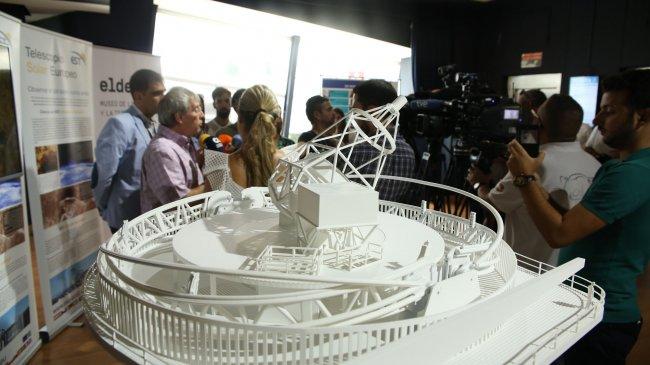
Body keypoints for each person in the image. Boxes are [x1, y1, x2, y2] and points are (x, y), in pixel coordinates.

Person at [506, 70, 650, 364]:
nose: (596, 120)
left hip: (599, 318)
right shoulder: (625, 167)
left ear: (642, 117)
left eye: (609, 111)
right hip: (587, 308)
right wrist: (538, 186)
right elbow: (579, 221)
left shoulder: (634, 173)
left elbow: (560, 233)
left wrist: (524, 178)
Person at [467, 94, 600, 264]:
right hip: (571, 271)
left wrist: (478, 183)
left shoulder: (530, 164)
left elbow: (492, 203)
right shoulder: (596, 166)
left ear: (538, 124)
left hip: (527, 267)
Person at [92, 69, 165, 233]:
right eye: (156, 94)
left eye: (163, 92)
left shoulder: (155, 124)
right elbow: (104, 174)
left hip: (149, 217)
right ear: (138, 96)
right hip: (126, 217)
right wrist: (104, 207)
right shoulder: (119, 124)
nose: (163, 99)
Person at [203, 85, 284, 198]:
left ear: (239, 119)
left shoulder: (220, 169)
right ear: (276, 122)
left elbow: (209, 213)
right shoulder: (289, 164)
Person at [345, 79, 416, 203]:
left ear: (372, 111)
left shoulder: (357, 151)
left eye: (355, 109)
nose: (352, 114)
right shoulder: (409, 152)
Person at [140, 87, 205, 212]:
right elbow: (178, 204)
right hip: (173, 230)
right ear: (179, 117)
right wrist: (212, 183)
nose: (202, 115)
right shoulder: (161, 151)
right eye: (196, 109)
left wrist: (201, 162)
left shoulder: (186, 143)